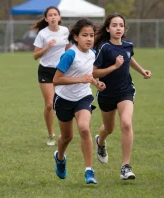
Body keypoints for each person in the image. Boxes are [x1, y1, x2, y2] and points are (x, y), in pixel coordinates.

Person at [92, 13, 152, 180]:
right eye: (114, 25)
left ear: (125, 28)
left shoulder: (128, 45)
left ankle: (125, 167)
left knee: (126, 123)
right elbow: (94, 72)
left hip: (125, 91)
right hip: (106, 94)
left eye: (121, 25)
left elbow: (129, 58)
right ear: (108, 28)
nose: (118, 28)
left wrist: (142, 71)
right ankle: (100, 142)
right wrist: (113, 67)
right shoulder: (104, 48)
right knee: (109, 129)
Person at [52, 18, 105, 184]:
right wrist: (80, 79)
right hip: (63, 99)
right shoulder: (70, 54)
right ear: (76, 37)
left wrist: (97, 84)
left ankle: (89, 170)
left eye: (91, 35)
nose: (89, 39)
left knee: (84, 128)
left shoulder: (92, 54)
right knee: (67, 137)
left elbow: (88, 75)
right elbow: (56, 80)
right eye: (85, 35)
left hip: (83, 97)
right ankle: (60, 158)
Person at [32, 6, 71, 146]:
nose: (53, 17)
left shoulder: (65, 31)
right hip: (46, 71)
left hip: (61, 70)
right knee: (49, 104)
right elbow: (35, 55)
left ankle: (65, 132)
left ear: (59, 17)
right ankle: (51, 135)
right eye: (50, 15)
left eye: (55, 14)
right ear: (46, 19)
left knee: (64, 102)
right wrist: (47, 47)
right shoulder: (42, 34)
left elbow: (68, 49)